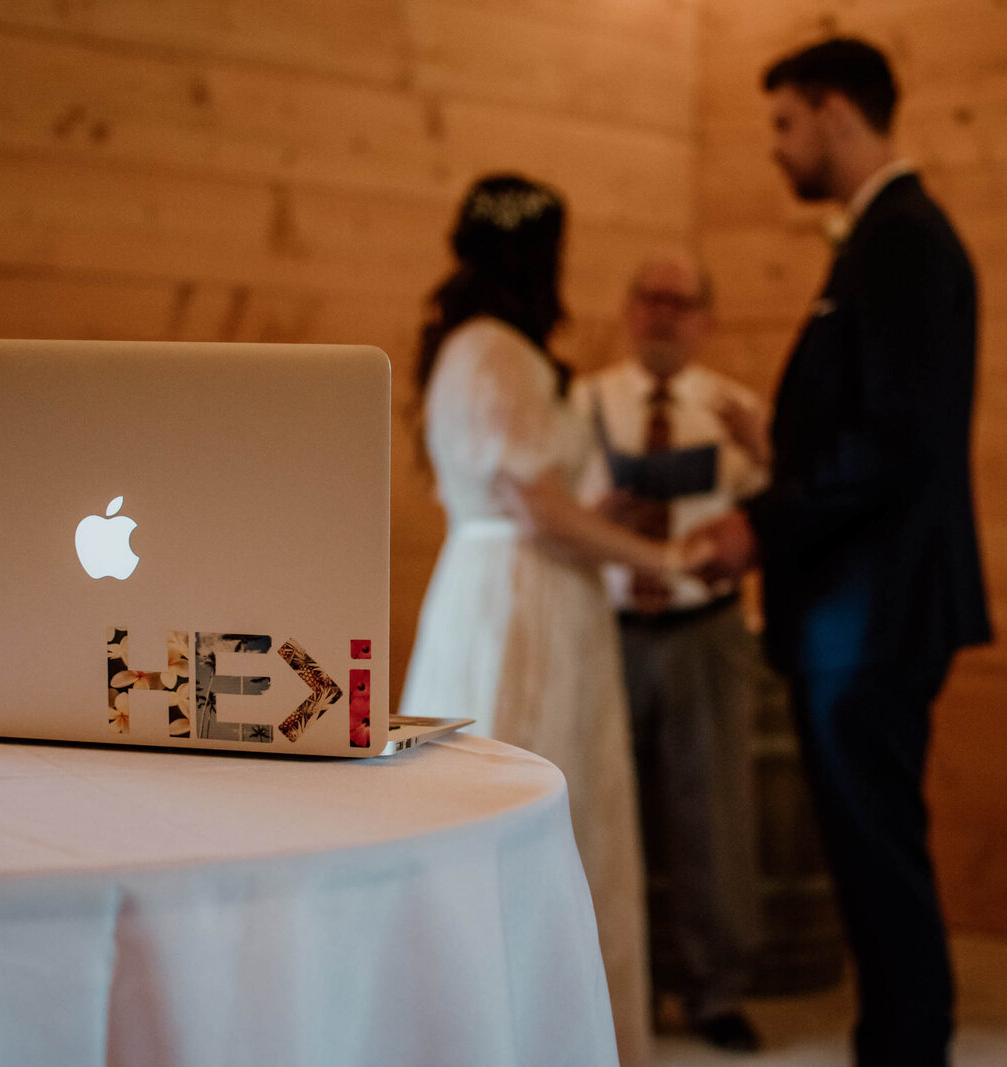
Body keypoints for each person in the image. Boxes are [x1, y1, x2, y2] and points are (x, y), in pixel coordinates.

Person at [690, 38, 993, 1067]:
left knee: (877, 861)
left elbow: (892, 441)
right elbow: (875, 428)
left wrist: (757, 525)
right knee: (868, 859)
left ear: (831, 110)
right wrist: (780, 454)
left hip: (872, 611)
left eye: (782, 122)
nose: (775, 149)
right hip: (859, 603)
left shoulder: (900, 238)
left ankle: (905, 1050)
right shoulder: (876, 240)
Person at [399, 174, 704, 1067]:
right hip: (519, 600)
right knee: (524, 800)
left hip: (526, 585)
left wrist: (599, 509)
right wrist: (664, 560)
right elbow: (533, 506)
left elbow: (540, 493)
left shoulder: (485, 346)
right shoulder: (493, 349)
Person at [570, 252, 769, 1053]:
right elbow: (548, 507)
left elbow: (780, 513)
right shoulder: (582, 402)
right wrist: (602, 511)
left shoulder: (736, 410)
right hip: (605, 624)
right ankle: (612, 978)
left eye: (680, 302)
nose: (662, 313)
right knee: (601, 808)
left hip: (703, 626)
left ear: (705, 319)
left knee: (711, 811)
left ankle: (714, 987)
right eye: (649, 297)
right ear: (627, 308)